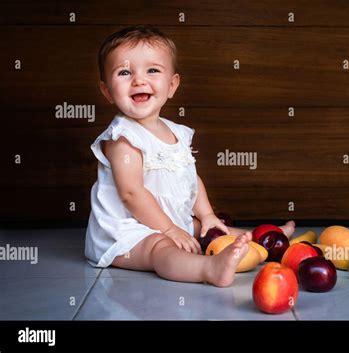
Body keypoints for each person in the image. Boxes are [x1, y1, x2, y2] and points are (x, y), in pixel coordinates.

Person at [85, 26, 295, 287]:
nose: (139, 80)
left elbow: (189, 178)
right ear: (106, 91)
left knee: (210, 229)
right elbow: (131, 194)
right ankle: (209, 268)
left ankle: (268, 240)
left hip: (169, 219)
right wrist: (170, 230)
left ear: (172, 85)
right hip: (128, 232)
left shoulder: (176, 132)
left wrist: (207, 215)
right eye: (125, 72)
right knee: (159, 248)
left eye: (152, 70)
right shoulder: (123, 138)